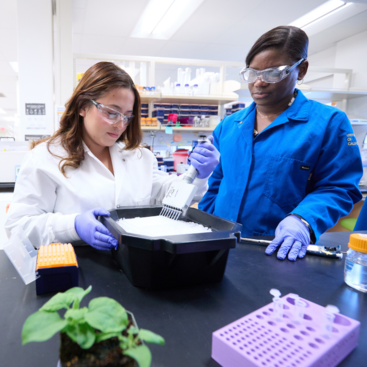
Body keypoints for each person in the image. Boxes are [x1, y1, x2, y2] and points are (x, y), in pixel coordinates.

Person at [5, 62, 220, 250]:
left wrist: (199, 174)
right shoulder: (45, 157)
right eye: (111, 112)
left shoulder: (140, 157)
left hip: (134, 268)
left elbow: (169, 195)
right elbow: (18, 226)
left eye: (127, 116)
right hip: (76, 273)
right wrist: (73, 226)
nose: (120, 125)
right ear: (82, 106)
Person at [199, 26, 363, 261]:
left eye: (273, 73)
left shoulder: (329, 123)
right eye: (253, 73)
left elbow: (339, 188)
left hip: (280, 251)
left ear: (302, 70)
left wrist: (303, 220)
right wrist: (203, 226)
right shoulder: (229, 125)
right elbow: (217, 182)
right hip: (219, 246)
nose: (259, 83)